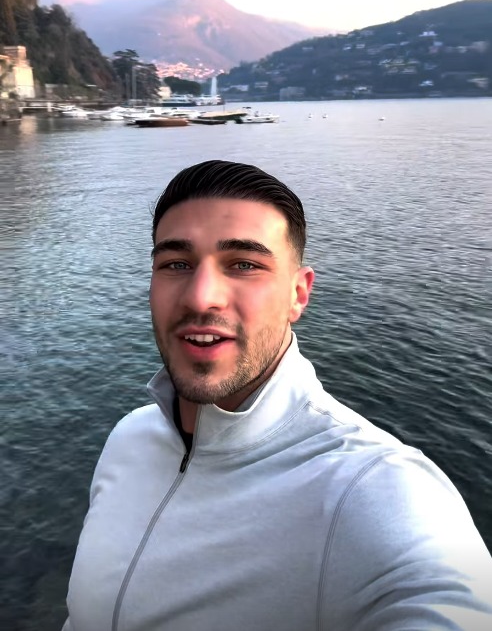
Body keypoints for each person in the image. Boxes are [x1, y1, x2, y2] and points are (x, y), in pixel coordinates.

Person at [63, 159, 492, 631]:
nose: (201, 296)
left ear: (298, 294)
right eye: (176, 264)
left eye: (244, 264)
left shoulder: (371, 486)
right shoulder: (130, 438)